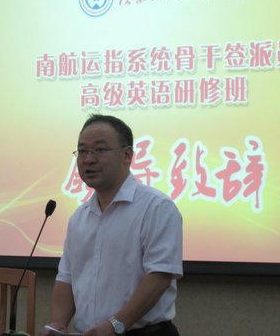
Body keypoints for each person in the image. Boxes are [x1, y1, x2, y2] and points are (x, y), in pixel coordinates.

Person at [40, 114, 183, 336]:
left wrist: (117, 324)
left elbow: (160, 276)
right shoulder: (79, 217)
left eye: (99, 150)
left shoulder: (156, 207)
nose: (89, 159)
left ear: (127, 155)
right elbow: (67, 278)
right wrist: (58, 323)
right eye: (83, 151)